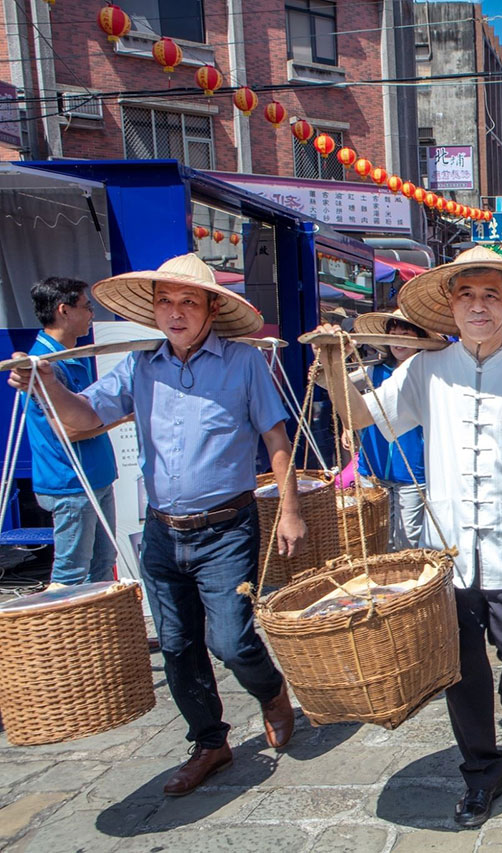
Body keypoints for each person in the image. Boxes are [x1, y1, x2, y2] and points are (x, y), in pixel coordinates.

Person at [313, 245, 502, 829]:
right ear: (451, 304)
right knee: (461, 672)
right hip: (452, 558)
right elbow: (361, 418)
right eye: (466, 294)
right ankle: (481, 774)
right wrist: (333, 366)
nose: (478, 306)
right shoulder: (426, 370)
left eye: (491, 294)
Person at [7, 253, 306, 796]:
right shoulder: (141, 366)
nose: (175, 312)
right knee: (175, 642)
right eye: (164, 302)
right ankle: (210, 741)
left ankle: (271, 692)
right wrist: (45, 383)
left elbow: (276, 440)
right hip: (164, 530)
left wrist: (289, 509)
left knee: (232, 640)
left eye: (187, 301)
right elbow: (84, 419)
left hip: (227, 527)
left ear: (211, 309)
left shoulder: (242, 363)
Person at [23, 277, 120, 585]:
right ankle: (64, 634)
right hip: (72, 485)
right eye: (87, 306)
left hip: (96, 479)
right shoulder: (45, 365)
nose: (91, 314)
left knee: (102, 567)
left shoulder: (70, 357)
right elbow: (67, 429)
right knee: (72, 575)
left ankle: (99, 632)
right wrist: (124, 417)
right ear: (64, 311)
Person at [348, 308, 446, 550]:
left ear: (419, 339)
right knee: (375, 540)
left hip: (412, 471)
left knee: (406, 542)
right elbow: (341, 390)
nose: (398, 340)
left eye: (405, 334)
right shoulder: (373, 371)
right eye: (393, 334)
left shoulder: (429, 374)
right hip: (373, 469)